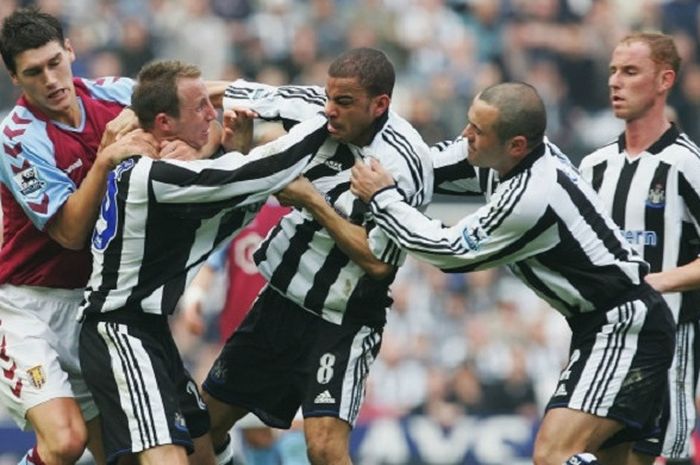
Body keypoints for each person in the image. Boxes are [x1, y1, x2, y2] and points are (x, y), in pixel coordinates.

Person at [349, 81, 675, 465]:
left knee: (553, 454)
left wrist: (382, 198)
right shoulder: (505, 158)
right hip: (612, 324)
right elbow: (426, 165)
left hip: (622, 327)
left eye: (478, 131)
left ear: (516, 144)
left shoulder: (530, 196)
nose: (465, 135)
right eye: (469, 123)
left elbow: (449, 252)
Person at [77, 59, 330, 465]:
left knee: (204, 454)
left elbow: (229, 212)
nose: (211, 113)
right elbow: (260, 176)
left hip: (151, 331)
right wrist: (322, 122)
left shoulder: (164, 170)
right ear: (163, 123)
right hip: (119, 332)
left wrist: (226, 150)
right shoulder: (154, 174)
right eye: (199, 107)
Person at [200, 47, 433, 465]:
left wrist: (313, 200)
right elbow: (229, 91)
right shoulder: (315, 107)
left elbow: (380, 263)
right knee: (202, 428)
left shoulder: (405, 164)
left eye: (344, 103)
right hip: (277, 304)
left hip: (341, 320)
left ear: (380, 105)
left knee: (324, 449)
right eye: (328, 97)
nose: (330, 111)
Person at [0, 8, 156, 465]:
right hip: (25, 308)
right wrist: (105, 158)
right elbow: (70, 233)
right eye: (33, 72)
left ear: (70, 51)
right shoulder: (16, 138)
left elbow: (180, 98)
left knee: (126, 456)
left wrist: (249, 96)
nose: (50, 79)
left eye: (54, 62)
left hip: (89, 308)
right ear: (15, 78)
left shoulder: (117, 94)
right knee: (65, 443)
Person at [579, 32, 700, 465]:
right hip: (603, 342)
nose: (615, 81)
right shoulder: (593, 168)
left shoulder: (687, 164)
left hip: (667, 341)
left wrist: (655, 282)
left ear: (664, 80)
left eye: (630, 71)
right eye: (613, 70)